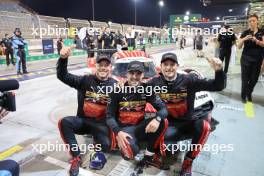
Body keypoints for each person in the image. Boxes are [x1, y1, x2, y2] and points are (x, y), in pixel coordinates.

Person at [148, 53, 226, 176]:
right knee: (167, 151)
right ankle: (158, 153)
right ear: (161, 67)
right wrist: (123, 85)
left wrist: (219, 70)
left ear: (177, 66)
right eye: (165, 64)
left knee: (205, 126)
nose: (169, 68)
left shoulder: (189, 80)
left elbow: (218, 86)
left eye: (172, 64)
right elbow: (136, 90)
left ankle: (188, 163)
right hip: (169, 125)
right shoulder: (153, 82)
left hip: (189, 121)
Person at [57, 45, 117, 176]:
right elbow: (62, 75)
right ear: (95, 66)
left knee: (107, 145)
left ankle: (98, 143)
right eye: (100, 65)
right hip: (83, 121)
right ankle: (76, 157)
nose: (103, 68)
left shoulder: (116, 85)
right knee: (64, 122)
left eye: (106, 65)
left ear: (110, 68)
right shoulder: (85, 80)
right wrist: (62, 59)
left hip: (101, 125)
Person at [106, 61, 169, 170]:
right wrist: (118, 132)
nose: (135, 77)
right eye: (132, 73)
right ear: (127, 74)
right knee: (129, 154)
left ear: (143, 75)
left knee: (163, 120)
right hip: (124, 129)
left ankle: (149, 157)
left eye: (138, 73)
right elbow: (109, 116)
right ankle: (132, 144)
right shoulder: (117, 89)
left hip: (140, 126)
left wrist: (157, 119)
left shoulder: (147, 89)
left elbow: (164, 109)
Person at [237, 14, 264, 103]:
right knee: (245, 79)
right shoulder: (245, 33)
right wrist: (244, 39)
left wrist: (256, 41)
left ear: (257, 21)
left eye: (253, 20)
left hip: (257, 59)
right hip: (246, 59)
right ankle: (244, 95)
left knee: (254, 79)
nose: (251, 22)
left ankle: (249, 92)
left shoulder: (262, 32)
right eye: (250, 21)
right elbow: (239, 46)